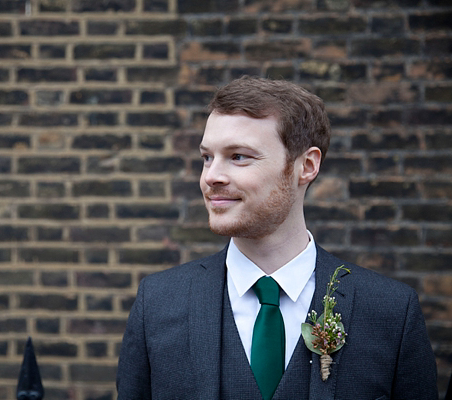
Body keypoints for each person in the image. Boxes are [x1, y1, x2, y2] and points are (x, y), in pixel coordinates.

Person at [116, 76, 438, 399]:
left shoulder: (392, 314)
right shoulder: (156, 305)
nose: (211, 176)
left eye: (239, 156)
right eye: (207, 157)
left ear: (306, 166)